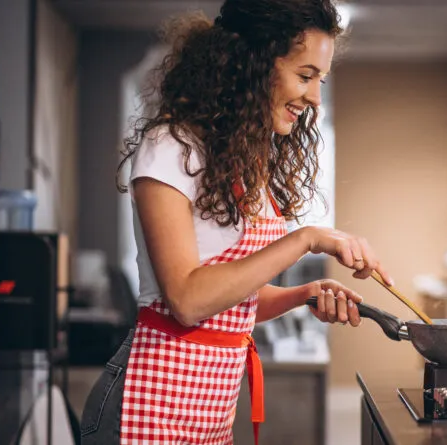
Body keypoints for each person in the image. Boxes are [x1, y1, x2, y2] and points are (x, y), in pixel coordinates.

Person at [79, 1, 391, 443]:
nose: (315, 97)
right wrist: (306, 239)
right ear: (253, 64)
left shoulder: (241, 162)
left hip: (208, 413)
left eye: (320, 79)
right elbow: (187, 299)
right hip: (146, 409)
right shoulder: (171, 148)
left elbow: (230, 300)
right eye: (304, 76)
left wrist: (303, 295)